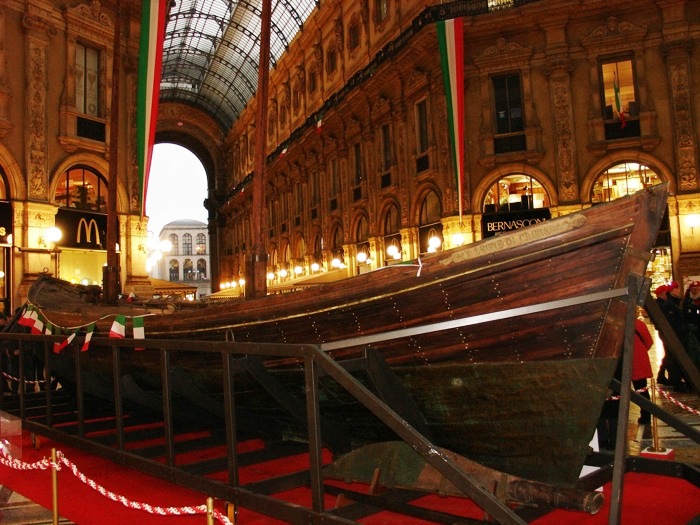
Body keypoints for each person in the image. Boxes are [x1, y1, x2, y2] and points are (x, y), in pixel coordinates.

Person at [632, 318, 654, 424]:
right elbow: (649, 341)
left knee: (617, 393)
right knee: (642, 390)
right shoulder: (639, 324)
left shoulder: (614, 322)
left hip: (621, 362)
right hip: (639, 360)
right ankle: (646, 416)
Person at [654, 284, 671, 385]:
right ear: (661, 294)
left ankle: (662, 375)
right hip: (664, 332)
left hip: (663, 332)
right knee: (668, 354)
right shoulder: (661, 304)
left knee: (668, 354)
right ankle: (661, 375)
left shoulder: (660, 303)